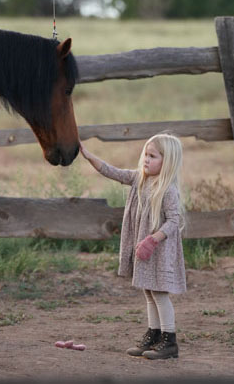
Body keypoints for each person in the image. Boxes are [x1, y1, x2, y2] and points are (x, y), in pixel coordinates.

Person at [80, 133, 186, 360]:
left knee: (159, 293)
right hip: (144, 250)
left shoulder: (167, 190)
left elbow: (174, 221)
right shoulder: (140, 179)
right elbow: (112, 171)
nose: (146, 160)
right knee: (148, 292)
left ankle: (170, 340)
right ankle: (154, 334)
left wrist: (153, 239)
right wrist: (88, 156)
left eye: (153, 156)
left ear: (167, 162)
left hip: (158, 250)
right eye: (145, 155)